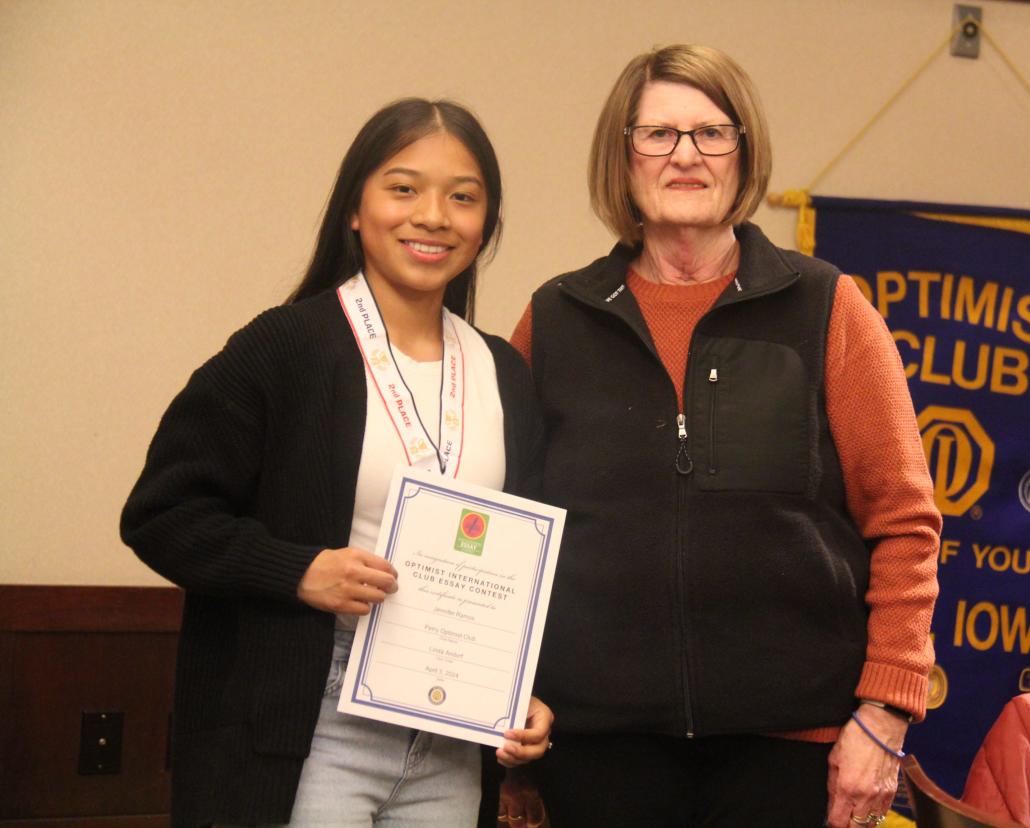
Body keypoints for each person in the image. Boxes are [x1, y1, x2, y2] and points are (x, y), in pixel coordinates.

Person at [508, 45, 941, 827]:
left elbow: (905, 522)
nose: (685, 155)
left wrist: (886, 713)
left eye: (712, 133)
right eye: (658, 134)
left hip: (793, 748)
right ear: (623, 154)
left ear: (745, 156)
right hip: (600, 748)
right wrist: (504, 683)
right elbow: (507, 524)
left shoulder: (828, 308)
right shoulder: (556, 320)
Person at [121, 98, 552, 828]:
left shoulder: (504, 372)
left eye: (463, 197)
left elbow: (523, 569)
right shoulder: (285, 348)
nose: (434, 215)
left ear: (487, 225)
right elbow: (161, 515)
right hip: (311, 723)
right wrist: (296, 569)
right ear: (356, 208)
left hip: (448, 738)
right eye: (404, 188)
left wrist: (521, 691)